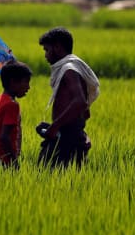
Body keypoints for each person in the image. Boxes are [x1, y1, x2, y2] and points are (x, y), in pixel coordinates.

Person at [37, 27, 99, 168]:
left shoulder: (69, 70)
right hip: (69, 134)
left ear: (57, 48)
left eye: (47, 50)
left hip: (67, 138)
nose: (46, 55)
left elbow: (80, 102)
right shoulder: (72, 68)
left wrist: (55, 126)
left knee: (51, 176)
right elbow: (85, 112)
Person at [0, 60, 32, 166]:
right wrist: (13, 161)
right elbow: (4, 137)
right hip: (2, 157)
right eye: (26, 82)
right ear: (13, 82)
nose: (28, 87)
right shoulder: (12, 105)